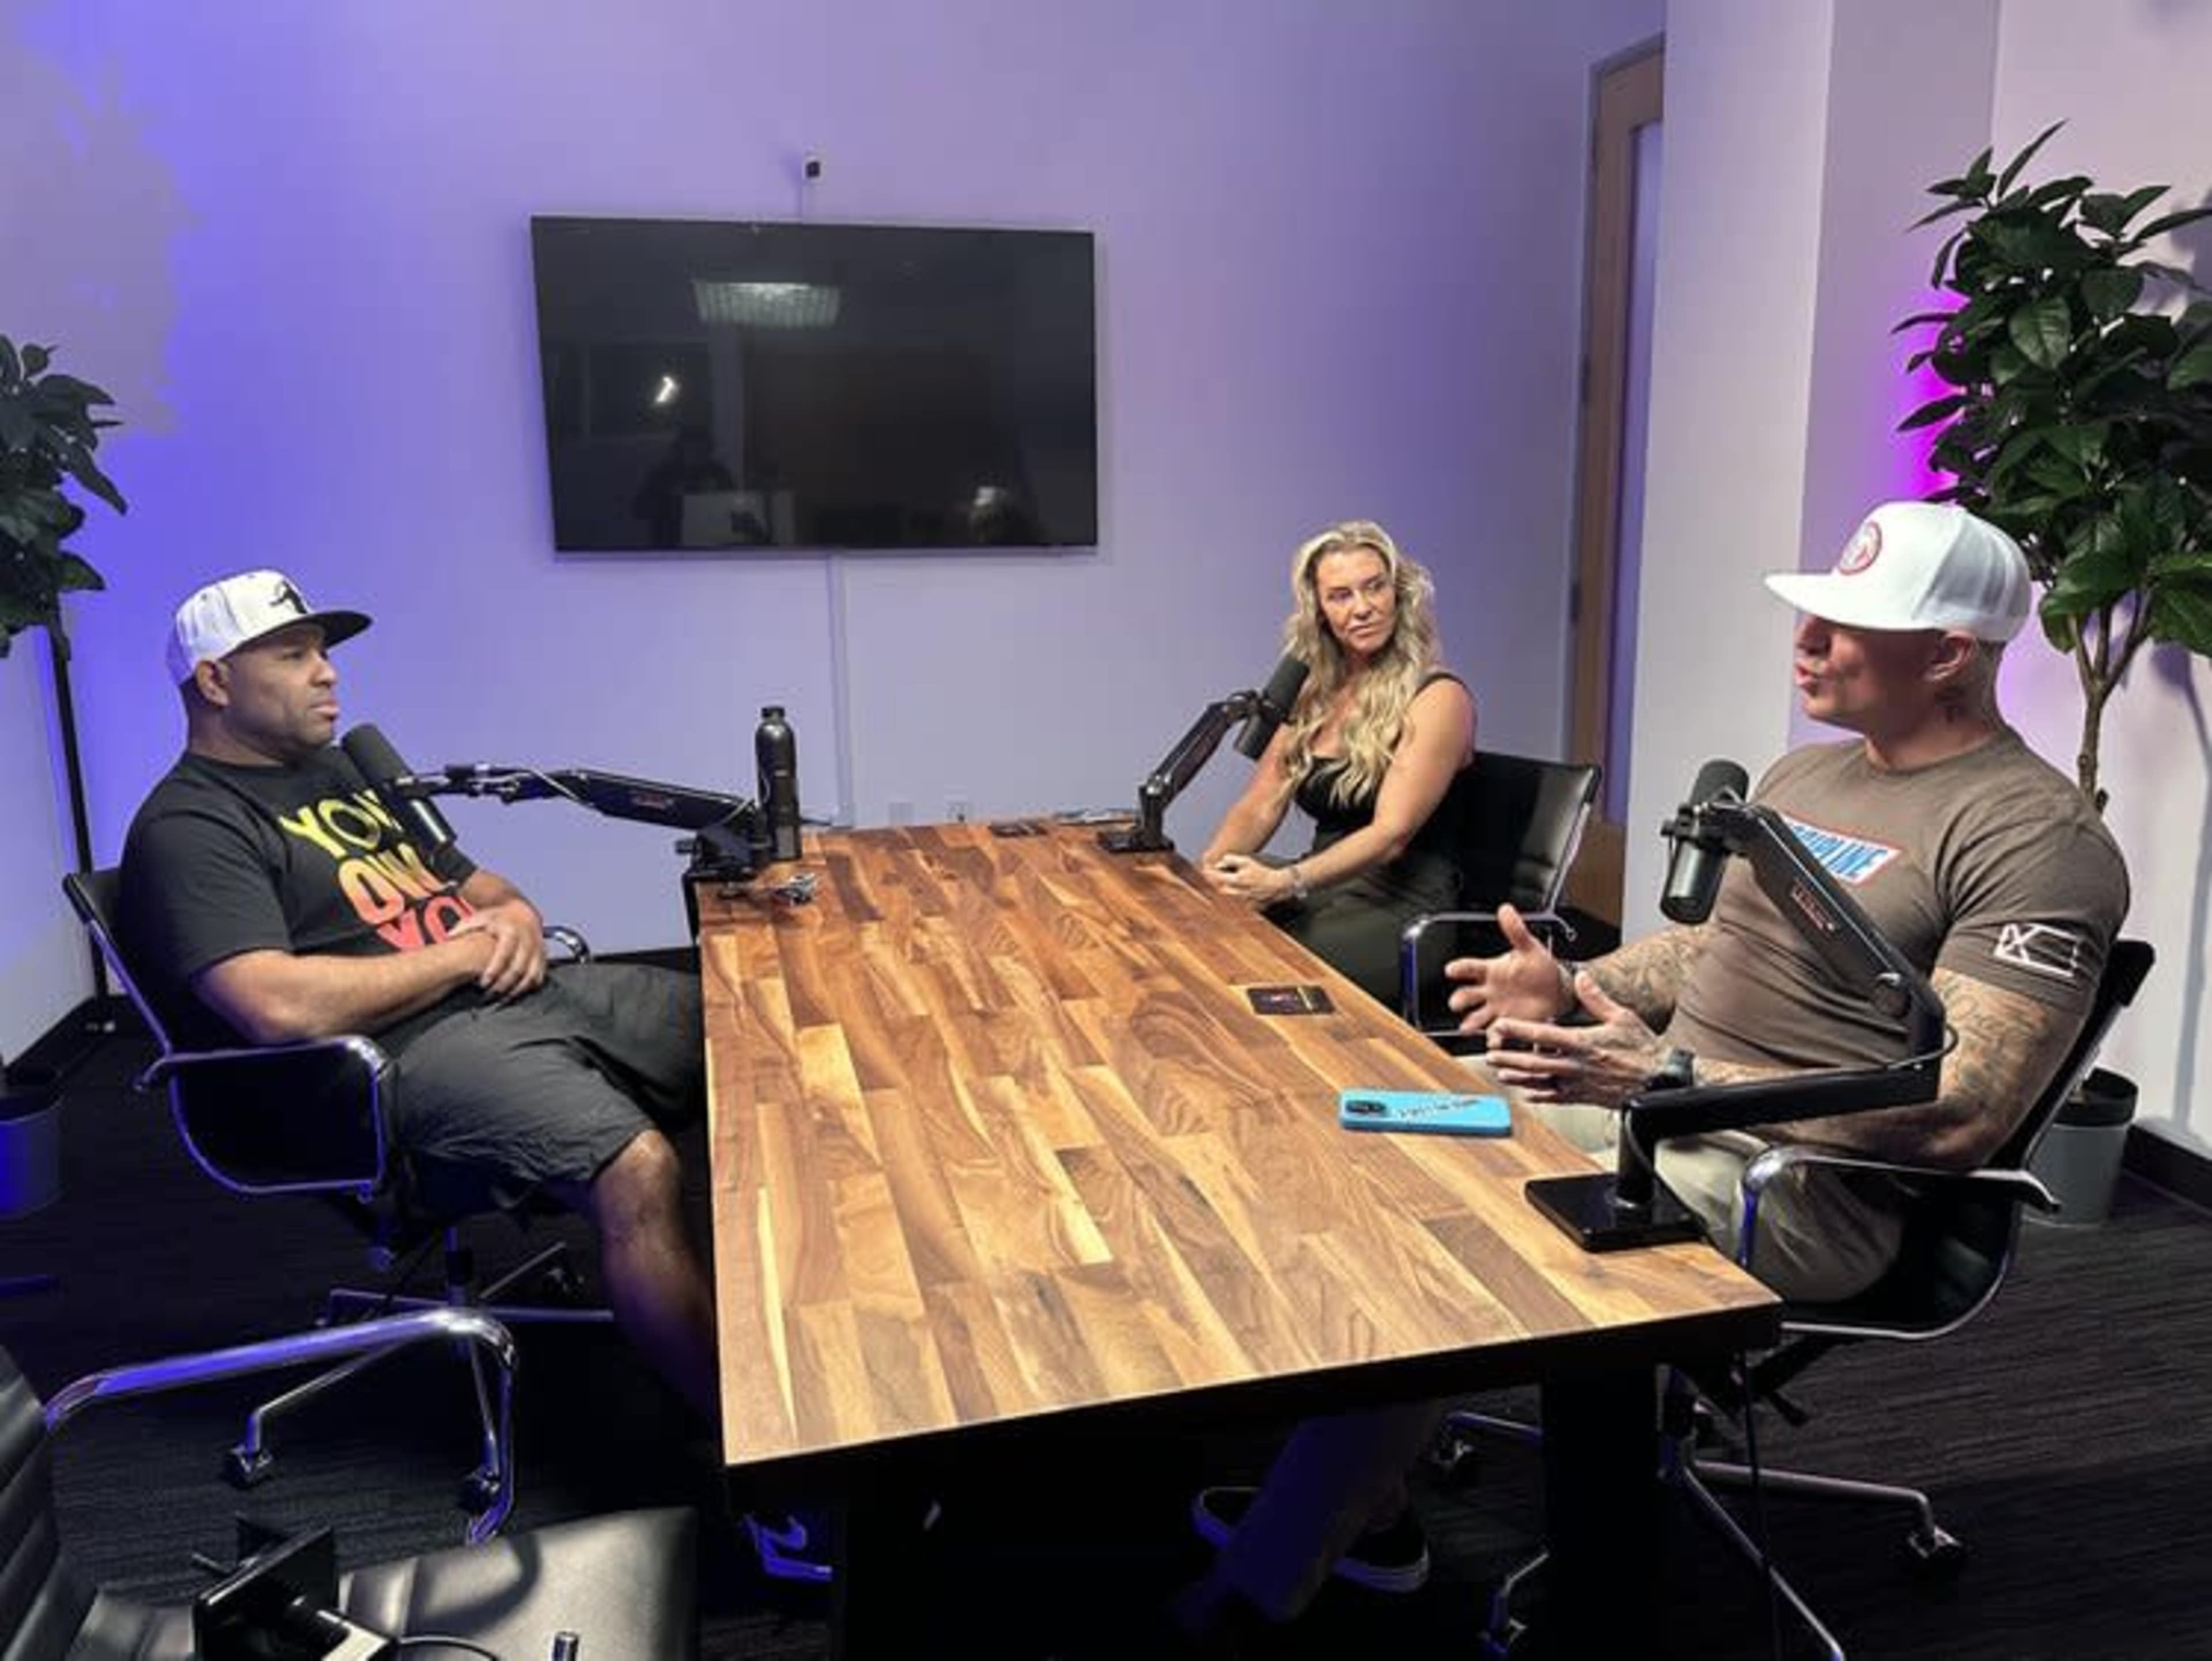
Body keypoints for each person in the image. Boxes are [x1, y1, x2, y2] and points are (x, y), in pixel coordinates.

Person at [1169, 500, 2130, 1650]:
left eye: (1845, 623)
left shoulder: (2037, 836)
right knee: (1359, 1126)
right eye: (1812, 613)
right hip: (1654, 1107)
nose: (1808, 641)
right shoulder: (1809, 773)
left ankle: (1269, 1586)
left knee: (1442, 1223)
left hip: (1797, 1176)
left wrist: (1657, 1075)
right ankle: (1366, 1497)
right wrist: (1576, 982)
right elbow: (1711, 951)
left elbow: (1961, 1109)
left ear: (1948, 655)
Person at [117, 570, 720, 1419]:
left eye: (323, 652)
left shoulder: (340, 773)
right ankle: (750, 1452)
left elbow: (483, 889)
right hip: (388, 1066)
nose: (327, 672)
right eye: (293, 655)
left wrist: (511, 916)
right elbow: (274, 1002)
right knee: (638, 1167)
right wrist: (462, 956)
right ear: (214, 682)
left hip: (506, 1003)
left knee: (751, 1034)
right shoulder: (191, 825)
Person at [1200, 520, 1477, 1008]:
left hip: (1402, 908)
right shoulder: (1315, 692)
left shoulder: (1438, 697)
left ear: (1399, 593)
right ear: (1320, 611)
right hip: (1322, 887)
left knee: (1252, 971)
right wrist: (1205, 879)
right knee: (1199, 932)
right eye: (1341, 595)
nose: (1362, 607)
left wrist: (1285, 882)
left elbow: (1391, 834)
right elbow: (1261, 803)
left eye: (1375, 587)